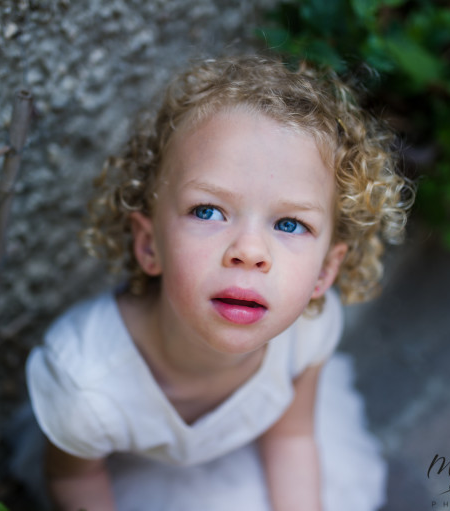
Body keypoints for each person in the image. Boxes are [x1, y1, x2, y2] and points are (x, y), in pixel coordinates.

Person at [23, 54, 413, 510]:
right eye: (208, 211)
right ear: (149, 245)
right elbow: (74, 480)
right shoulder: (86, 387)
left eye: (289, 224)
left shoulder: (307, 332)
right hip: (137, 475)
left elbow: (291, 436)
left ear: (324, 272)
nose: (249, 251)